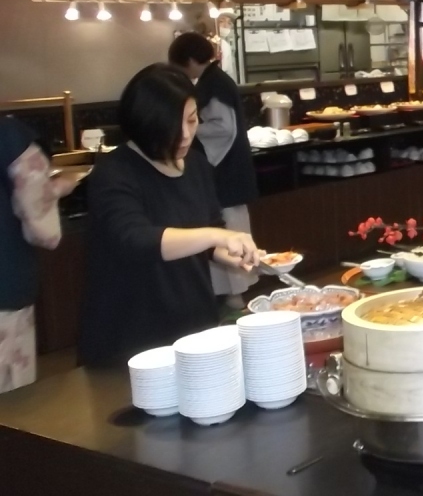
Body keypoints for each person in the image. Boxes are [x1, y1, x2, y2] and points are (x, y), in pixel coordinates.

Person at [78, 65, 262, 368]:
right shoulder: (115, 172)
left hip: (194, 325)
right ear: (144, 123)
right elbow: (136, 240)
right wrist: (216, 236)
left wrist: (230, 254)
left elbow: (209, 231)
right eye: (173, 125)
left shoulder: (196, 165)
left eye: (192, 120)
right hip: (131, 337)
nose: (186, 134)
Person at [169, 32, 259, 307]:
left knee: (229, 229)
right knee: (228, 229)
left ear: (190, 60)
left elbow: (223, 128)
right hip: (230, 169)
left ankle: (234, 296)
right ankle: (231, 294)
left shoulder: (215, 83)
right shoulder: (215, 80)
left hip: (225, 172)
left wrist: (187, 132)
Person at [0, 118, 74, 392]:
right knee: (10, 397)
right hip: (5, 286)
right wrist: (60, 186)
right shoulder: (9, 136)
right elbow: (42, 227)